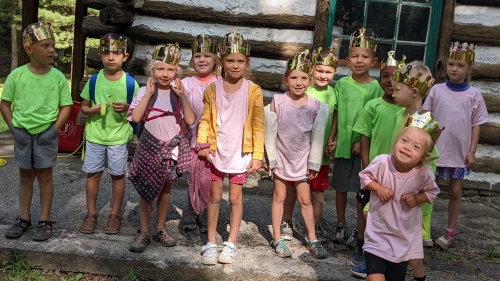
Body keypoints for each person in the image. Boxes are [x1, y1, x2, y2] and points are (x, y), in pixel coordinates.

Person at [0, 22, 73, 241]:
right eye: (45, 45)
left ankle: (45, 219)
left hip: (46, 134)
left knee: (44, 175)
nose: (52, 50)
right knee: (25, 176)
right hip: (23, 133)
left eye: (53, 45)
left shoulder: (58, 77)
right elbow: (5, 104)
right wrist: (14, 128)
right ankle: (24, 219)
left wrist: (54, 130)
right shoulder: (17, 75)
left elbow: (66, 106)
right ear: (29, 49)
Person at [198, 31, 264, 265]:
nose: (235, 66)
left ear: (247, 63)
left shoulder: (253, 90)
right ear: (221, 62)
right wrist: (203, 144)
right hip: (217, 152)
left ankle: (231, 243)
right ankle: (210, 242)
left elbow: (258, 124)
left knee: (235, 198)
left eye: (240, 61)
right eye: (230, 61)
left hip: (240, 154)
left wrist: (257, 155)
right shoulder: (212, 90)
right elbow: (205, 119)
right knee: (214, 197)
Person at [127, 43, 196, 252]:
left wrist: (183, 96)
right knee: (147, 190)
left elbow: (191, 120)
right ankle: (144, 231)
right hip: (149, 148)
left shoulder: (178, 94)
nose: (165, 74)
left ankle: (160, 228)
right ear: (152, 70)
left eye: (170, 69)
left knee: (166, 189)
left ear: (177, 72)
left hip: (170, 151)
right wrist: (147, 94)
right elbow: (136, 117)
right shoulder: (144, 91)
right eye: (160, 69)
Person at [423, 42, 489, 250]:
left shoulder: (474, 95)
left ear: (469, 68)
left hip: (458, 151)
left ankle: (450, 230)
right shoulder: (436, 90)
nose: (454, 69)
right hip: (435, 149)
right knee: (427, 189)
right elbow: (427, 117)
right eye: (451, 64)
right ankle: (422, 229)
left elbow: (476, 124)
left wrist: (471, 151)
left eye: (460, 65)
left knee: (454, 192)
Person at [265, 49, 329, 259]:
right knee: (279, 196)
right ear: (286, 80)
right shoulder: (278, 102)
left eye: (303, 77)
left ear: (310, 80)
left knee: (305, 199)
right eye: (294, 77)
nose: (299, 82)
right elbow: (270, 131)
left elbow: (317, 137)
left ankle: (312, 238)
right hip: (282, 158)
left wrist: (314, 163)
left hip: (302, 160)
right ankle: (278, 237)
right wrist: (270, 158)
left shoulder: (315, 106)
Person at [359, 125, 440, 281]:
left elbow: (432, 192)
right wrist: (378, 188)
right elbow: (364, 176)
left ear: (423, 157)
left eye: (416, 147)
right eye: (404, 140)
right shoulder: (382, 162)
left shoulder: (423, 174)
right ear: (396, 141)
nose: (407, 147)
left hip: (403, 239)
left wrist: (417, 199)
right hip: (377, 234)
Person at [326, 28, 383, 244]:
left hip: (363, 149)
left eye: (365, 57)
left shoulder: (376, 89)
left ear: (374, 61)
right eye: (355, 56)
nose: (359, 61)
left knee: (362, 190)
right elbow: (337, 113)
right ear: (347, 60)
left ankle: (360, 230)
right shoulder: (341, 84)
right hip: (342, 145)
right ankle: (341, 224)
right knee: (340, 186)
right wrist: (333, 138)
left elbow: (374, 119)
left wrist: (361, 142)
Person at [79, 33, 139, 235]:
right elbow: (83, 108)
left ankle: (115, 215)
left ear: (125, 56)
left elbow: (138, 112)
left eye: (116, 53)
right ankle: (91, 214)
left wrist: (128, 107)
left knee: (117, 175)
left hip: (118, 138)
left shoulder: (131, 84)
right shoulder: (94, 80)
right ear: (101, 56)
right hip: (95, 136)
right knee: (93, 174)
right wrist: (93, 110)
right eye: (106, 53)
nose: (111, 57)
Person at [279, 42, 339, 243]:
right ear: (311, 71)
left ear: (334, 72)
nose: (323, 75)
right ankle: (286, 220)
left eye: (328, 71)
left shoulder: (333, 93)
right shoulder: (305, 92)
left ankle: (313, 225)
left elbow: (335, 118)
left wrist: (332, 140)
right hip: (297, 154)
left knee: (318, 192)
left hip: (320, 154)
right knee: (292, 190)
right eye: (319, 70)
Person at [349, 51, 403, 269]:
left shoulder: (407, 110)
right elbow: (365, 139)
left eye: (395, 77)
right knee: (363, 208)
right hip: (374, 172)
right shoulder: (373, 106)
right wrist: (366, 170)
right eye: (385, 77)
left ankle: (389, 250)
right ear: (379, 80)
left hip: (398, 173)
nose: (389, 81)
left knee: (391, 211)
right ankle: (361, 245)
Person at [181, 33, 220, 233]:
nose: (202, 60)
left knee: (211, 178)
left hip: (214, 141)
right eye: (198, 56)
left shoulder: (221, 83)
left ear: (215, 60)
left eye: (207, 56)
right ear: (192, 60)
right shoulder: (186, 83)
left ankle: (207, 211)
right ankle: (190, 211)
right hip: (191, 138)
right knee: (194, 176)